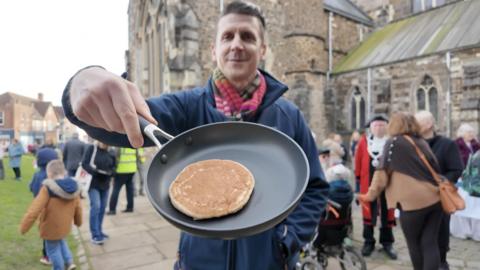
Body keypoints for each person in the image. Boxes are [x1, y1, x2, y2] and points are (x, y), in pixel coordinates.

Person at [61, 1, 329, 269]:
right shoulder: (188, 106)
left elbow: (315, 188)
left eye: (247, 36)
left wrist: (286, 242)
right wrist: (81, 85)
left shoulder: (289, 115)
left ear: (263, 49)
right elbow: (123, 126)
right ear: (214, 50)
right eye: (227, 36)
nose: (236, 44)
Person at [358, 112, 443, 270]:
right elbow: (436, 168)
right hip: (435, 200)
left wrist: (369, 195)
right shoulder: (420, 141)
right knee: (430, 243)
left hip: (412, 204)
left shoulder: (393, 142)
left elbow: (381, 175)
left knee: (415, 244)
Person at [415, 110, 463, 270]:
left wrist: (437, 183)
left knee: (440, 237)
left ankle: (442, 263)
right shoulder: (412, 144)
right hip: (417, 201)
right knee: (421, 238)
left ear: (429, 124)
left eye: (417, 122)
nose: (413, 126)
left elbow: (456, 170)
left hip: (440, 200)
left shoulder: (447, 144)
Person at [20, 159, 82, 270]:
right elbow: (78, 208)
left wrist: (24, 227)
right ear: (64, 172)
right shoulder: (75, 188)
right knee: (61, 240)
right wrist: (78, 221)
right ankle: (69, 262)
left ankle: (59, 268)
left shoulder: (47, 189)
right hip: (65, 225)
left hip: (50, 227)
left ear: (49, 173)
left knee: (53, 249)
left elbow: (34, 209)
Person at [354, 115, 397, 259]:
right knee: (368, 211)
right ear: (371, 128)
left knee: (387, 211)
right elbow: (358, 162)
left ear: (386, 127)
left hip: (388, 183)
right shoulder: (364, 142)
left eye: (382, 125)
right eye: (376, 125)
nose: (379, 128)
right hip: (367, 183)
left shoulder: (391, 142)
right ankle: (368, 241)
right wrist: (358, 183)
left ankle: (387, 242)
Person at [29, 148, 59, 265]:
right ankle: (49, 256)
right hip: (51, 209)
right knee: (51, 233)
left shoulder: (37, 175)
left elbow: (31, 187)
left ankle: (48, 255)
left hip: (41, 209)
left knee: (46, 233)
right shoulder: (53, 177)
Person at [82, 141, 116, 245]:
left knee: (102, 208)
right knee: (96, 206)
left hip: (105, 184)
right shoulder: (92, 149)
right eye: (103, 141)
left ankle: (99, 231)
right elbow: (84, 164)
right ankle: (95, 235)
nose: (104, 144)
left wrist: (112, 173)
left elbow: (114, 166)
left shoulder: (111, 151)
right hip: (93, 184)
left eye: (106, 142)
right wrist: (95, 172)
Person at [107, 147, 137, 215]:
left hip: (121, 171)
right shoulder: (133, 145)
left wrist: (114, 170)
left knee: (116, 190)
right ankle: (130, 208)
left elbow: (116, 158)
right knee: (130, 190)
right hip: (132, 169)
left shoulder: (120, 145)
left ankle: (112, 210)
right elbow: (136, 157)